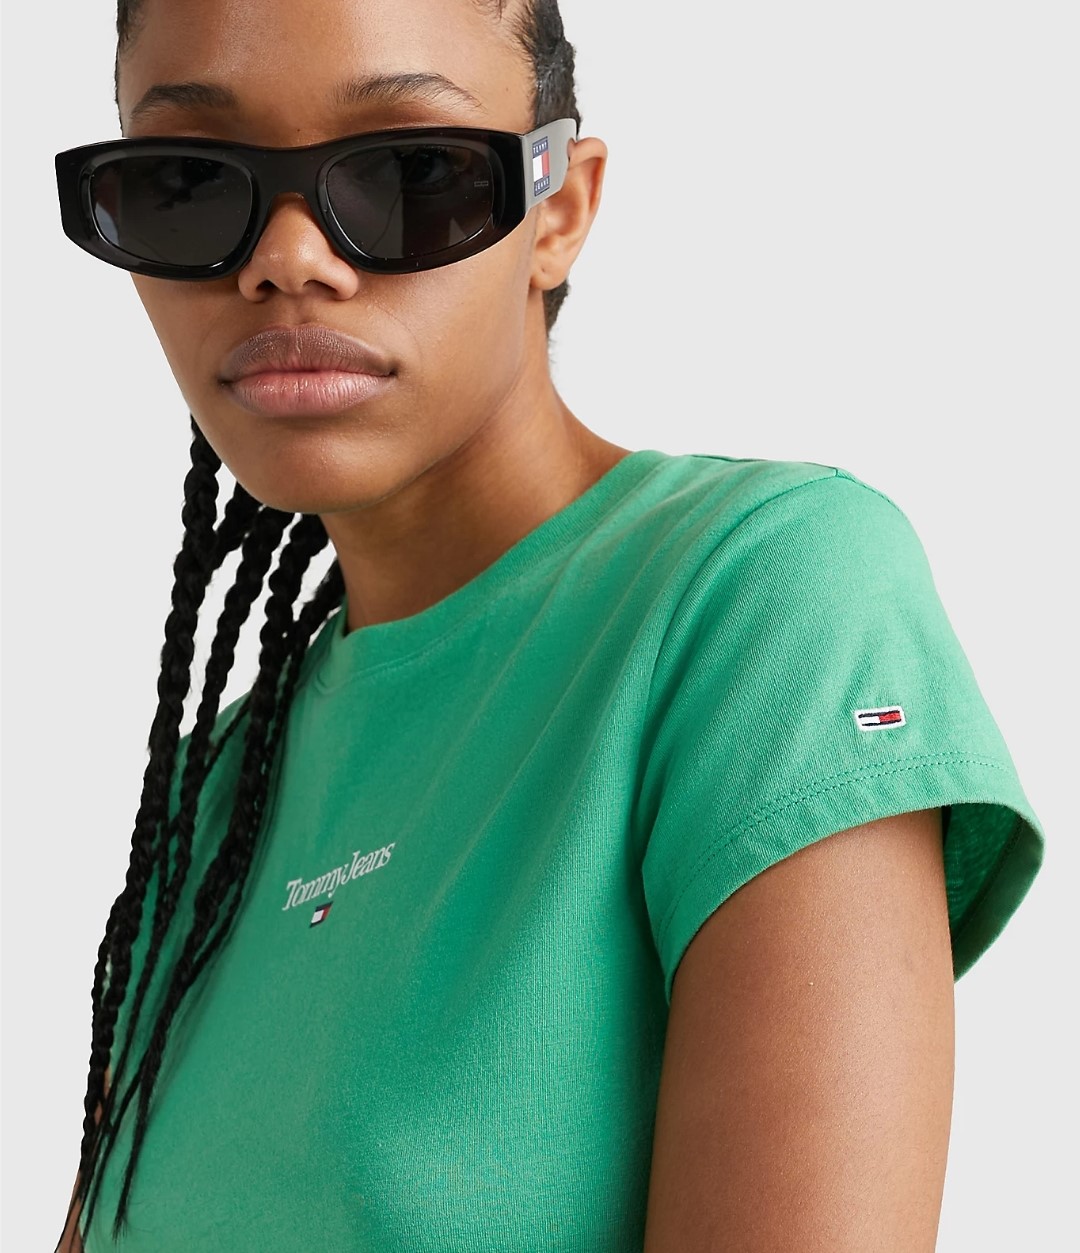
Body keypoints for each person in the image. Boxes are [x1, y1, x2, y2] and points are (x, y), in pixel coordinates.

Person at [52, 0, 1045, 1249]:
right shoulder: (216, 799)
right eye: (189, 183)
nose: (288, 258)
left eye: (412, 172)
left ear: (559, 208)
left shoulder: (761, 598)